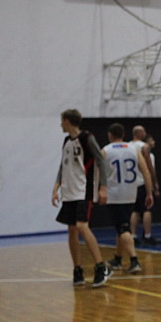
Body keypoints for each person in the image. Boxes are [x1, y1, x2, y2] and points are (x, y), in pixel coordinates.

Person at [51, 109, 112, 287]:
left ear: (67, 121)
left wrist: (103, 187)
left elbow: (100, 160)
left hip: (83, 190)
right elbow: (62, 166)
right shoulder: (66, 141)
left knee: (81, 226)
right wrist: (56, 187)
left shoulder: (86, 138)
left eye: (62, 121)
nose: (60, 125)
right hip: (69, 192)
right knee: (72, 230)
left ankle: (101, 267)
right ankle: (77, 270)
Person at [103, 123, 154, 274]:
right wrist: (149, 193)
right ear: (123, 134)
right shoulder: (133, 149)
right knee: (121, 226)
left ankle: (134, 260)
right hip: (131, 194)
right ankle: (118, 259)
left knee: (123, 229)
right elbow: (146, 172)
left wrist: (98, 191)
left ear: (110, 135)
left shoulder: (105, 150)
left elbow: (98, 173)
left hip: (114, 194)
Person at [129, 125, 160, 245]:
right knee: (147, 209)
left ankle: (133, 236)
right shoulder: (144, 147)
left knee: (134, 210)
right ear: (140, 133)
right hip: (142, 182)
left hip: (131, 183)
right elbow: (150, 169)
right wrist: (154, 184)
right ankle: (147, 236)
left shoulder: (127, 146)